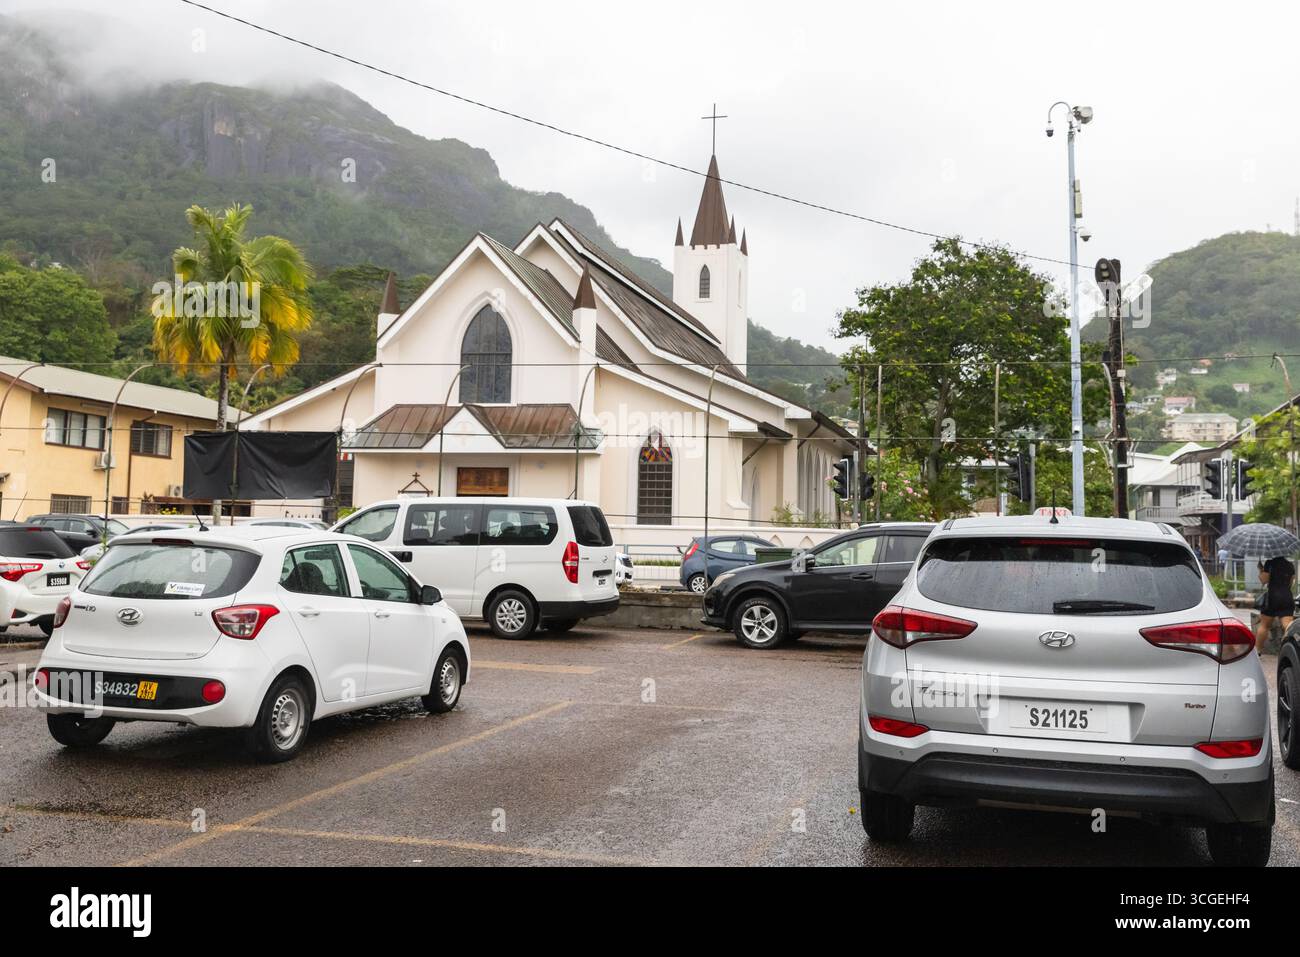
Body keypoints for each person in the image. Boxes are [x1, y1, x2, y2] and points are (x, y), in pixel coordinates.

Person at [1255, 555, 1297, 652]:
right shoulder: (1290, 565)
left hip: (1272, 597)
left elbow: (1264, 580)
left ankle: (1258, 651)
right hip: (1287, 596)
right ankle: (1291, 649)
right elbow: (1291, 583)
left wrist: (1261, 570)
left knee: (1264, 625)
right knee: (1287, 625)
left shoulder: (1269, 563)